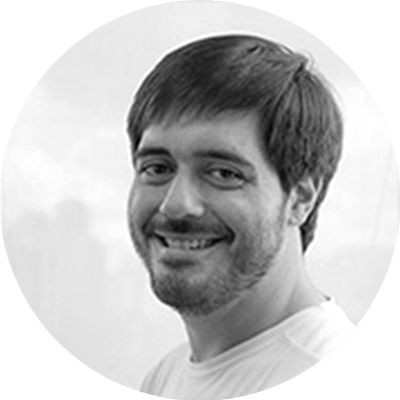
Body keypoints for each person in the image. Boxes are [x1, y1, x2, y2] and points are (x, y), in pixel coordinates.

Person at [126, 34, 355, 399]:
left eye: (223, 173)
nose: (176, 205)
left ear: (301, 198)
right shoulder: (165, 375)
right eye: (157, 167)